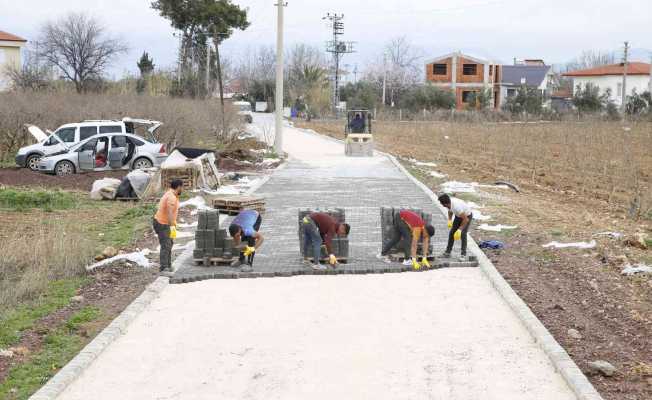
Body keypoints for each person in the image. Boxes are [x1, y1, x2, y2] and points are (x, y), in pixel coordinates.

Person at [153, 179, 183, 274]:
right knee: (166, 245)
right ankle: (164, 268)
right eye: (182, 187)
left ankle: (168, 265)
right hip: (163, 224)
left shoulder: (171, 194)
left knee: (169, 244)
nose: (183, 189)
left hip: (167, 223)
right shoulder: (171, 198)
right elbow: (170, 213)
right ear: (178, 187)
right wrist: (171, 226)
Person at [438, 194, 473, 261]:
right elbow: (450, 211)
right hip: (458, 216)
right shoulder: (449, 204)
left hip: (467, 216)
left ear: (445, 203)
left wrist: (460, 229)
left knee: (463, 234)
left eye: (442, 204)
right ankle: (447, 253)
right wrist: (450, 220)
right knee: (452, 233)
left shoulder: (457, 207)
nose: (441, 205)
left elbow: (466, 219)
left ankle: (463, 255)